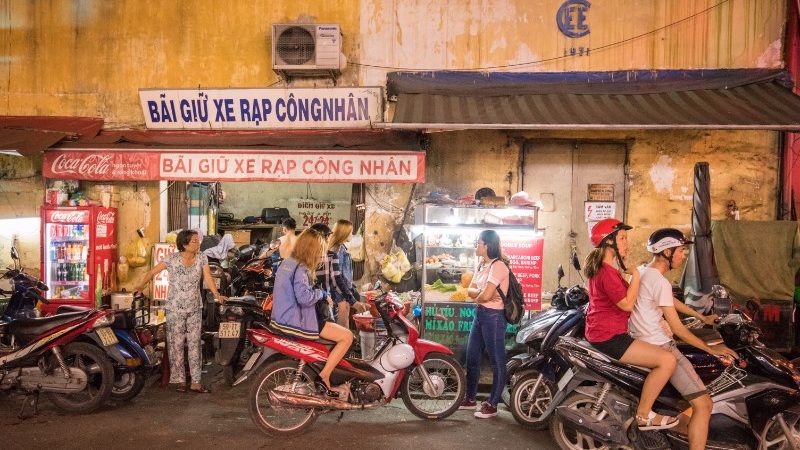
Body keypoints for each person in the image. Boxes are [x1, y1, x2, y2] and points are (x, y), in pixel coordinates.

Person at [630, 228, 738, 449]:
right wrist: (711, 349)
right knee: (704, 404)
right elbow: (679, 330)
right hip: (662, 346)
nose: (683, 255)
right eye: (680, 250)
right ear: (666, 252)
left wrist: (701, 317)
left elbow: (668, 300)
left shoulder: (643, 272)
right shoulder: (659, 281)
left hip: (644, 341)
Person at [583, 218, 679, 430]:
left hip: (604, 332)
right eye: (622, 238)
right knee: (667, 361)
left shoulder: (608, 269)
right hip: (609, 337)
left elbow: (630, 296)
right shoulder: (606, 272)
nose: (627, 243)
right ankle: (643, 415)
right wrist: (635, 273)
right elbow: (627, 304)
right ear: (609, 243)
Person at [135, 229, 227, 393]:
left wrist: (217, 294)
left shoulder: (202, 258)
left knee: (194, 345)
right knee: (176, 344)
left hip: (194, 308)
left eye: (197, 240)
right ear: (184, 244)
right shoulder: (172, 259)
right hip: (175, 308)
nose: (197, 243)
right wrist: (140, 287)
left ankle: (196, 382)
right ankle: (180, 381)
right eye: (193, 241)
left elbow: (208, 278)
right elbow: (152, 272)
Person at [269, 228, 353, 396]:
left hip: (282, 318)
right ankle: (324, 377)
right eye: (320, 249)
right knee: (347, 337)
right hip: (297, 320)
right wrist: (322, 294)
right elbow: (304, 298)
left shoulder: (286, 262)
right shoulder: (301, 267)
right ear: (312, 248)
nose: (321, 254)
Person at [461, 229, 509, 419]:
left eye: (478, 243)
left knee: (497, 361)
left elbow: (486, 295)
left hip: (494, 317)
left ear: (487, 245)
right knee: (472, 357)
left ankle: (493, 404)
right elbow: (470, 290)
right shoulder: (482, 265)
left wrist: (479, 294)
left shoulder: (498, 266)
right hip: (480, 314)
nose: (476, 245)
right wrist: (480, 293)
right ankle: (470, 399)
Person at [327, 220, 364, 329]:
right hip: (340, 293)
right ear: (344, 233)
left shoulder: (339, 248)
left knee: (344, 319)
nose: (352, 235)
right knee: (343, 324)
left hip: (341, 291)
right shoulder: (339, 250)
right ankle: (345, 343)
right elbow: (337, 276)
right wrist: (346, 293)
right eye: (350, 232)